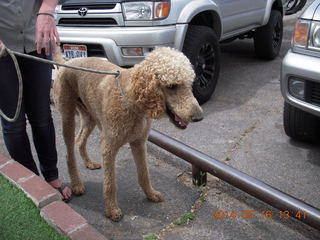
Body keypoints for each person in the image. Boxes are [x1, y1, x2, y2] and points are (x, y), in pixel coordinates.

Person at [0, 0, 72, 201]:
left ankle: (51, 177)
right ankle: (31, 183)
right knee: (14, 123)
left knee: (42, 115)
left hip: (36, 38)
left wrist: (48, 9)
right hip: (2, 47)